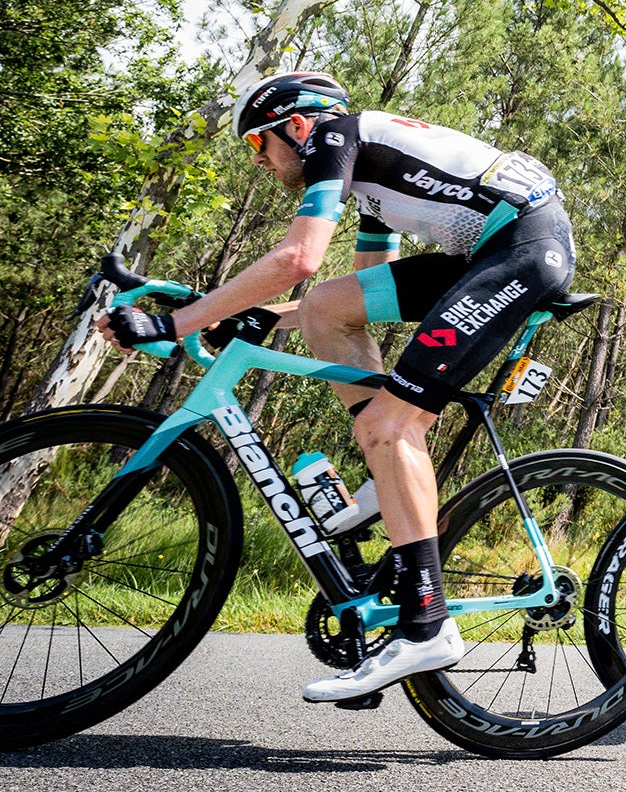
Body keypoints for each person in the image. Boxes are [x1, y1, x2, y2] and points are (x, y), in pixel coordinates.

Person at [97, 72, 575, 702]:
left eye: (257, 145)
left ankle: (427, 624)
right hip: (487, 253)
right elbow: (352, 298)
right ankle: (391, 474)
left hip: (521, 251)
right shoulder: (370, 181)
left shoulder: (334, 139)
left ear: (294, 125)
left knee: (390, 423)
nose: (262, 163)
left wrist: (178, 322)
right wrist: (264, 315)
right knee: (326, 311)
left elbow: (298, 258)